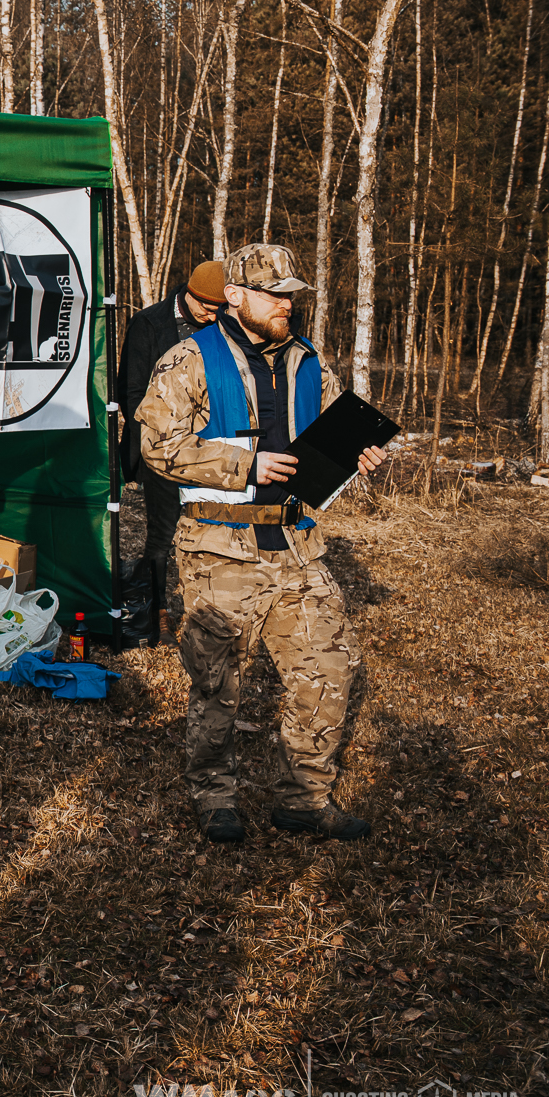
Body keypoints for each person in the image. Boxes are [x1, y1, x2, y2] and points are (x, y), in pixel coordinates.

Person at [134, 243, 390, 845]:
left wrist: (359, 454)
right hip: (219, 548)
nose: (286, 306)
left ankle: (304, 799)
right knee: (219, 682)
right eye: (274, 295)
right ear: (237, 296)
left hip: (298, 546)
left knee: (328, 671)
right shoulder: (187, 361)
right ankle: (214, 796)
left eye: (291, 295)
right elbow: (156, 449)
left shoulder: (309, 362)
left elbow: (330, 430)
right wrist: (245, 461)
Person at [120, 261, 226, 577]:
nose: (213, 316)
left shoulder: (221, 327)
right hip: (163, 447)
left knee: (208, 530)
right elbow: (131, 392)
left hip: (211, 446)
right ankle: (157, 613)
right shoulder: (148, 324)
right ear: (189, 294)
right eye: (208, 308)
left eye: (220, 309)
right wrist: (167, 436)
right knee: (161, 536)